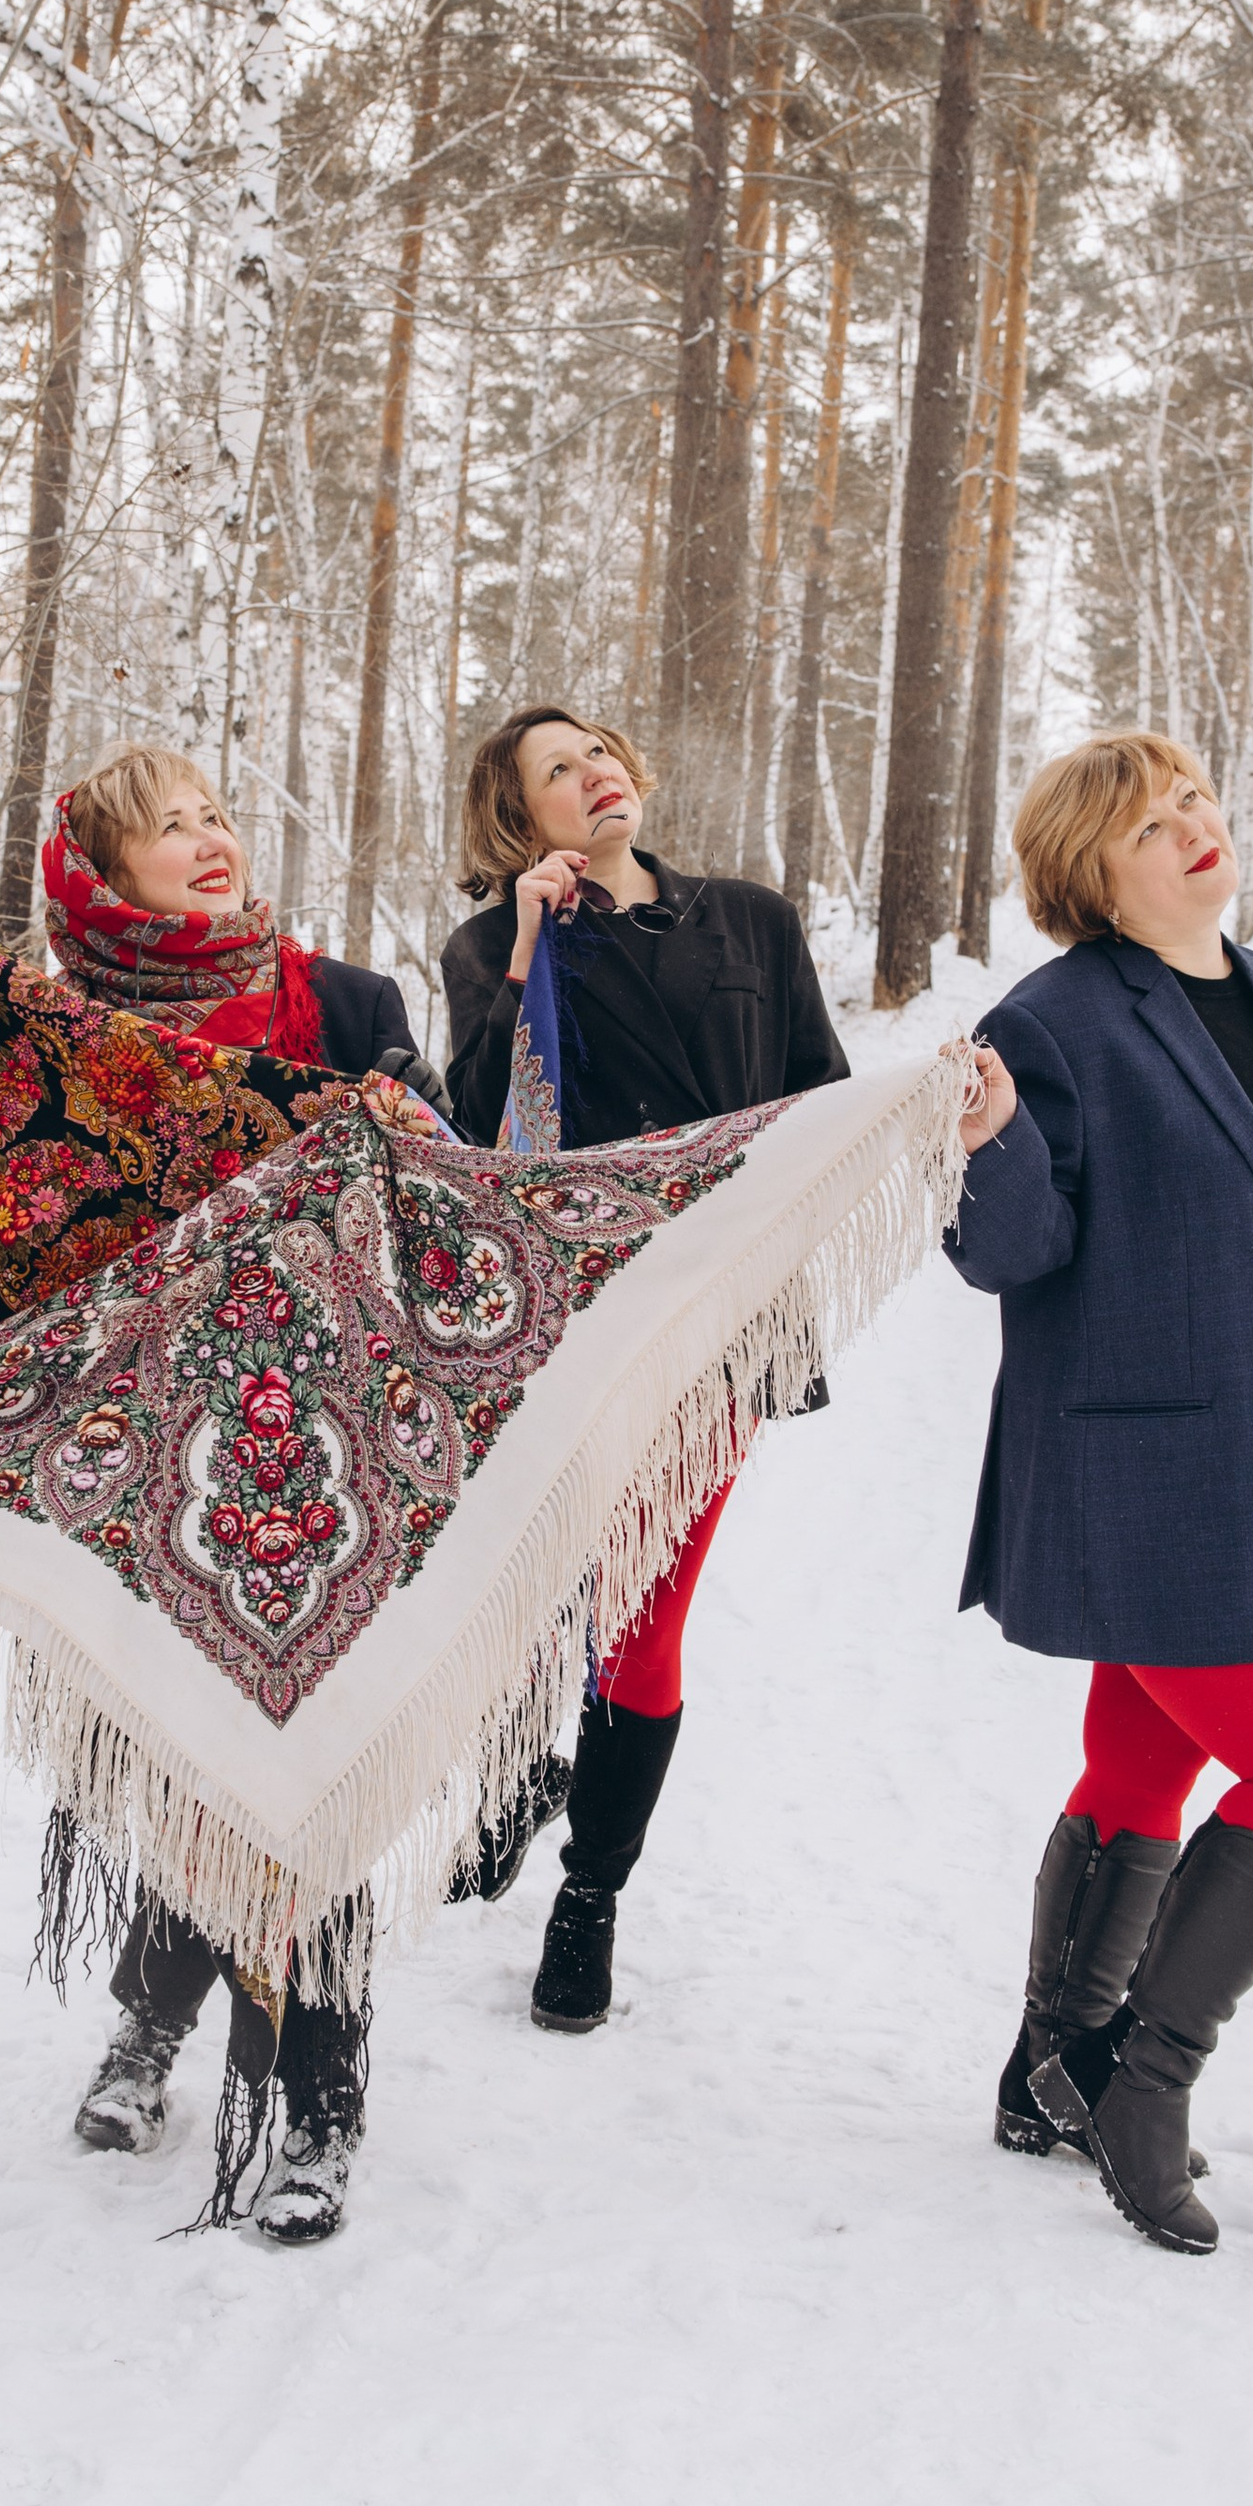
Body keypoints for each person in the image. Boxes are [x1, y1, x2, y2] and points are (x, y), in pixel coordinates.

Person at [0, 730, 440, 2248]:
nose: (206, 841)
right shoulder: (45, 1025)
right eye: (164, 828)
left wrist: (396, 1134)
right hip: (126, 1456)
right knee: (158, 1760)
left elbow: (444, 1192)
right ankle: (152, 2015)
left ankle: (318, 2094)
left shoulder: (346, 1006)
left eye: (211, 816)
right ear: (99, 874)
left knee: (307, 1767)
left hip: (319, 1440)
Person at [945, 731, 1253, 2256]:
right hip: (1145, 1475)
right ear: (1090, 872)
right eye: (1148, 820)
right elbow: (1010, 1254)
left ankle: (1049, 2065)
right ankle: (1144, 2084)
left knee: (1141, 1762)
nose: (1192, 823)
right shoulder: (1052, 1026)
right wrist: (987, 1145)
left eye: (1196, 795)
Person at [440, 707, 849, 2038]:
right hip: (558, 1328)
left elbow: (818, 1099)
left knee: (639, 1613)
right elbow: (477, 1136)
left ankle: (591, 1895)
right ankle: (509, 1766)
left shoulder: (751, 921)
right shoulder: (495, 946)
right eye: (555, 769)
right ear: (521, 820)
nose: (592, 769)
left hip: (715, 1329)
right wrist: (522, 956)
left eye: (600, 746)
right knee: (532, 1571)